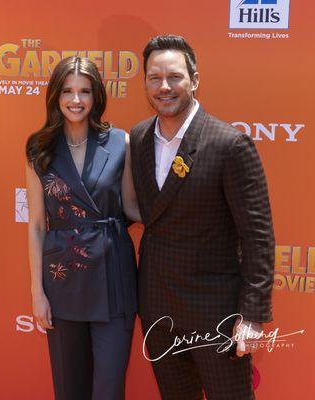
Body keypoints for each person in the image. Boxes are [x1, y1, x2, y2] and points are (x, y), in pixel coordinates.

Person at [130, 34, 275, 399]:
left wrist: (253, 316)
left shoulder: (229, 144)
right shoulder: (139, 137)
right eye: (154, 77)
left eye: (174, 77)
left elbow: (257, 235)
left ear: (194, 80)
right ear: (145, 82)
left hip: (217, 312)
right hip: (158, 308)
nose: (164, 87)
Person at [25, 56, 140, 400]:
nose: (76, 100)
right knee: (69, 386)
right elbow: (35, 224)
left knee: (108, 386)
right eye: (68, 91)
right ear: (55, 96)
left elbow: (132, 208)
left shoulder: (122, 142)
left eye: (85, 91)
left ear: (96, 96)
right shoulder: (39, 148)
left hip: (114, 275)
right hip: (63, 279)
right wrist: (37, 293)